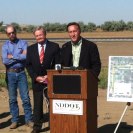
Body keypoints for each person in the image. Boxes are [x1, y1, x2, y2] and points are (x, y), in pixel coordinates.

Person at [26, 26, 60, 133]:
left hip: (51, 80)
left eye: (40, 35)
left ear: (45, 34)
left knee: (52, 104)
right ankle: (37, 126)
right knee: (37, 105)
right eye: (36, 36)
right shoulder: (30, 49)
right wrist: (36, 77)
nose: (39, 37)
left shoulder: (54, 47)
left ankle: (54, 124)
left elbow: (58, 63)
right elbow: (28, 65)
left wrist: (49, 75)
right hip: (37, 81)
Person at [1, 25, 33, 129]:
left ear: (16, 32)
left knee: (25, 98)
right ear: (7, 34)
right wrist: (19, 55)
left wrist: (12, 56)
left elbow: (26, 57)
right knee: (12, 99)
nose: (11, 35)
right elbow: (5, 60)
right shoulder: (5, 46)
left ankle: (29, 119)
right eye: (9, 33)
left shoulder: (23, 43)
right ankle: (15, 120)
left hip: (21, 73)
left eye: (13, 32)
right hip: (10, 74)